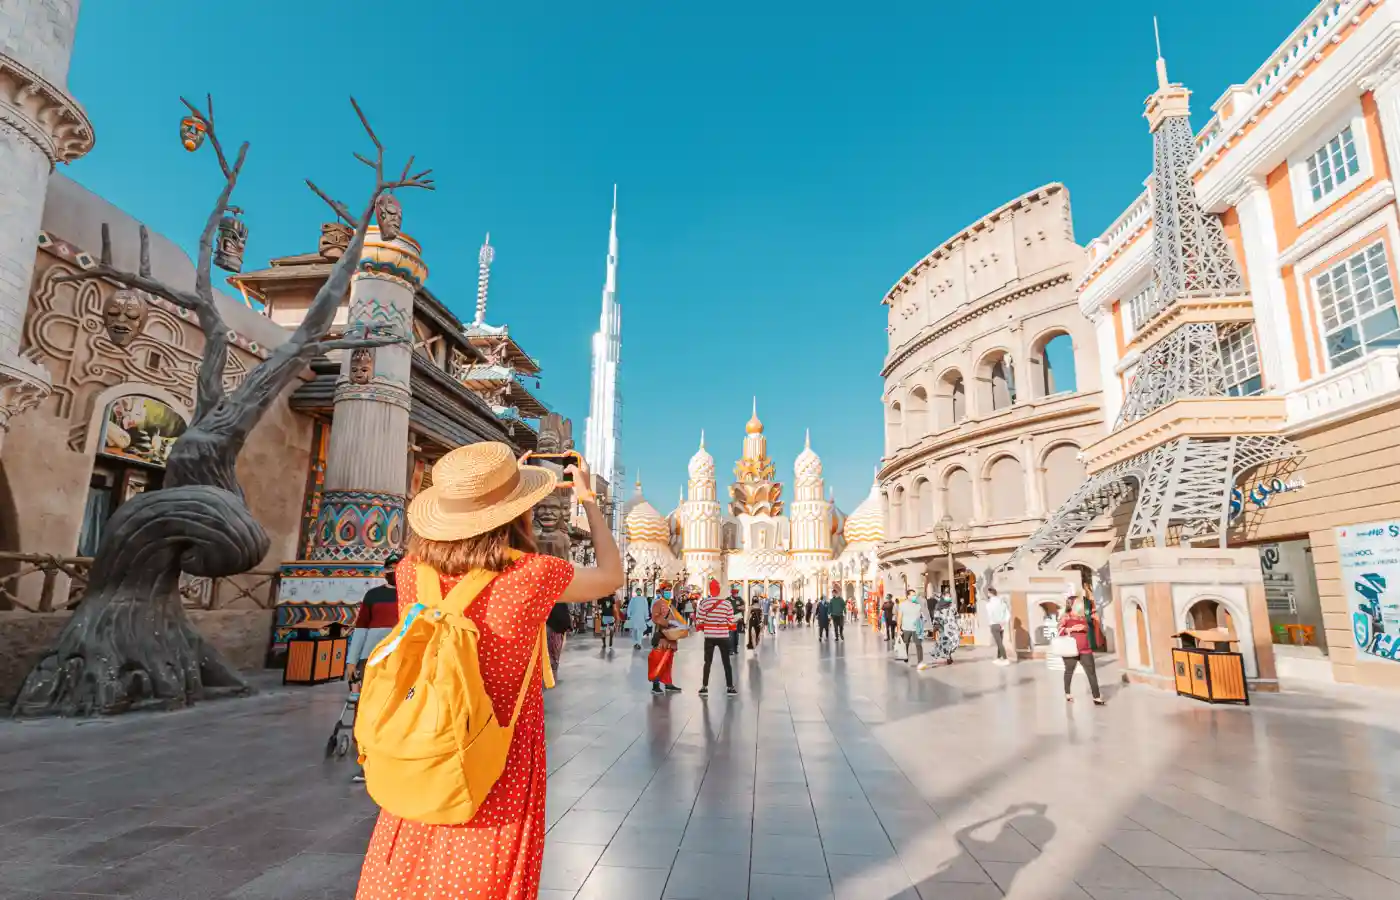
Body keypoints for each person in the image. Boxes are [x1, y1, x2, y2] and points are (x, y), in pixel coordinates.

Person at [355, 442, 623, 900]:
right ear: (518, 511)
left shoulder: (409, 571)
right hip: (500, 746)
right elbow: (612, 576)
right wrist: (590, 502)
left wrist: (498, 491)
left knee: (413, 857)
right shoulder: (535, 575)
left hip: (423, 739)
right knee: (486, 866)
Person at [346, 553, 402, 785]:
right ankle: (365, 758)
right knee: (366, 706)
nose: (393, 572)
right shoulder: (373, 595)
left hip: (399, 658)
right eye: (390, 569)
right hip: (370, 658)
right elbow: (360, 628)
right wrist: (352, 660)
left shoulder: (411, 596)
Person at [1058, 597, 1104, 705]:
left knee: (1091, 673)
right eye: (1078, 603)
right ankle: (1068, 693)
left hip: (1085, 649)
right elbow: (1059, 630)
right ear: (1071, 604)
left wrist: (1083, 626)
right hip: (1070, 649)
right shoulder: (1066, 617)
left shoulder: (1082, 617)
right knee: (1069, 671)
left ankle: (1096, 697)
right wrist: (1072, 629)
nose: (1081, 605)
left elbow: (1087, 629)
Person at [695, 582, 738, 696]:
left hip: (709, 636)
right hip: (723, 636)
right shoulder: (727, 604)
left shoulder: (704, 603)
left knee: (707, 662)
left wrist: (709, 623)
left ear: (710, 590)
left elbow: (700, 619)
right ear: (719, 590)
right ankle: (730, 687)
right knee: (726, 662)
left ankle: (704, 687)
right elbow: (731, 621)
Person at [650, 591, 687, 693]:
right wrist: (668, 622)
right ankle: (655, 685)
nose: (668, 593)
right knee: (658, 662)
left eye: (669, 591)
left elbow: (677, 618)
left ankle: (668, 683)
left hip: (671, 638)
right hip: (662, 637)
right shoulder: (658, 603)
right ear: (662, 592)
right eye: (666, 591)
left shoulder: (670, 604)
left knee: (668, 662)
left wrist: (680, 624)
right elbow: (655, 617)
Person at [898, 592, 929, 670]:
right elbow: (899, 617)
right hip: (906, 628)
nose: (915, 596)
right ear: (908, 596)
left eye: (915, 595)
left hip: (916, 628)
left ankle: (920, 662)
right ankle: (905, 656)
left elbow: (922, 615)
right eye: (913, 595)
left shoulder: (918, 605)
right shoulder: (902, 605)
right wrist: (898, 628)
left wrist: (924, 626)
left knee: (918, 645)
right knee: (906, 644)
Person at [984, 586, 1011, 666]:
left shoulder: (989, 604)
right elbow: (1008, 614)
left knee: (999, 643)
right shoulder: (1002, 602)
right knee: (1000, 642)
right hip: (1002, 625)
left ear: (989, 594)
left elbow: (990, 615)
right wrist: (1003, 622)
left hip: (994, 624)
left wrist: (996, 622)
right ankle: (999, 658)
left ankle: (1005, 658)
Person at [546, 602, 571, 676]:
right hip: (556, 627)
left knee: (552, 646)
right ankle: (553, 664)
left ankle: (553, 664)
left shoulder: (557, 600)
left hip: (553, 626)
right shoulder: (561, 600)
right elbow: (565, 613)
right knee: (554, 647)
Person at [727, 586, 744, 655]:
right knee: (731, 634)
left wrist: (741, 607)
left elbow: (743, 607)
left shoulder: (739, 599)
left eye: (737, 593)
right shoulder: (728, 599)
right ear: (732, 594)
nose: (736, 594)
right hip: (731, 617)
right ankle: (731, 650)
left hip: (738, 618)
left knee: (736, 634)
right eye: (735, 593)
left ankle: (735, 649)